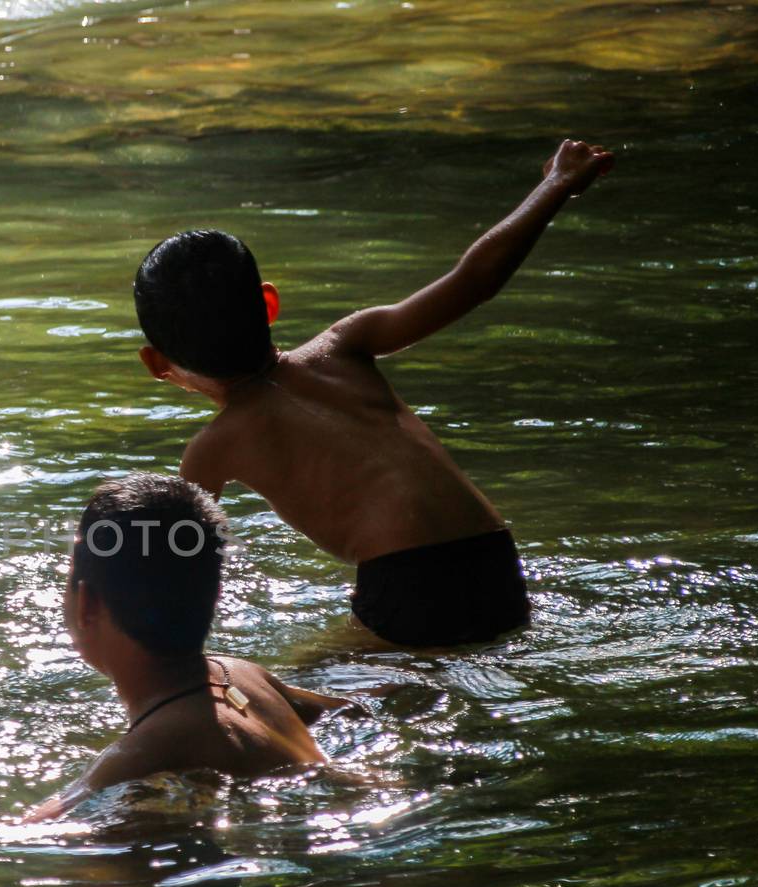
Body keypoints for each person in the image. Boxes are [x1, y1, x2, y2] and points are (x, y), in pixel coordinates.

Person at [133, 139, 616, 647]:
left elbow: (174, 568)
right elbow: (476, 280)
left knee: (285, 700)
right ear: (268, 303)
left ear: (156, 363)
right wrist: (556, 184)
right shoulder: (347, 343)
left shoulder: (213, 447)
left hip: (408, 580)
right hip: (497, 559)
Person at [24, 472, 356, 822]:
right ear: (214, 592)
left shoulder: (140, 756)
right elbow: (346, 711)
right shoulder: (243, 676)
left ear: (87, 604)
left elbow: (29, 836)